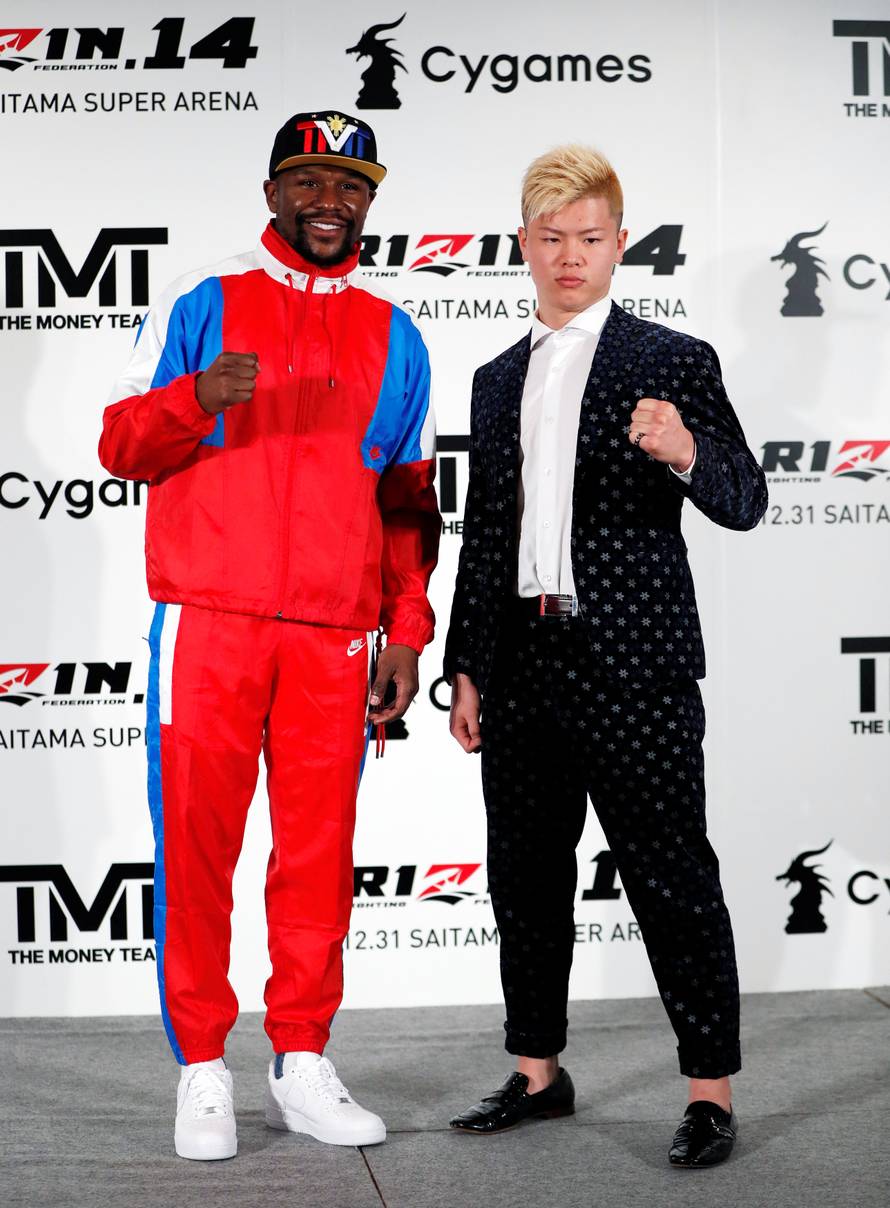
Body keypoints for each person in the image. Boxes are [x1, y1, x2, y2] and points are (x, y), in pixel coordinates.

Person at [99, 109, 440, 1161]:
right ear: (271, 194)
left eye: (350, 184)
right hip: (206, 623)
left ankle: (301, 1058)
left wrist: (404, 629)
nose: (329, 201)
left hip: (333, 636)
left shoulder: (397, 333)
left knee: (316, 857)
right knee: (197, 848)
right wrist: (194, 398)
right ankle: (203, 1065)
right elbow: (119, 444)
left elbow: (409, 499)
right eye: (308, 181)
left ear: (369, 202)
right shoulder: (206, 298)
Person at [443, 145, 767, 1168]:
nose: (568, 256)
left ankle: (707, 1091)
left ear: (619, 243)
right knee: (523, 878)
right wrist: (467, 665)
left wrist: (683, 450)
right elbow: (487, 533)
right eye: (550, 238)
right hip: (523, 661)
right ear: (523, 245)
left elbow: (743, 498)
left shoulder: (671, 359)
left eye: (588, 238)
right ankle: (537, 1070)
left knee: (670, 876)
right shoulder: (496, 378)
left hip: (633, 662)